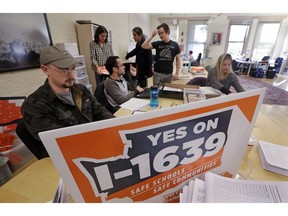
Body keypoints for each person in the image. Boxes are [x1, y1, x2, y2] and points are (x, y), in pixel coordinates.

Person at [21, 45, 115, 142]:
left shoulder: (81, 89)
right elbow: (61, 141)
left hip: (96, 141)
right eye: (64, 70)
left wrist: (117, 125)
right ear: (45, 70)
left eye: (73, 68)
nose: (71, 75)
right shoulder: (34, 105)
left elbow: (99, 111)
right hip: (72, 153)